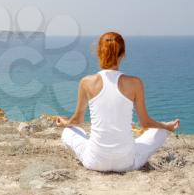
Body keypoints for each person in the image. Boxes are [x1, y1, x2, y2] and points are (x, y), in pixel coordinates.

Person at [56, 32, 180, 172]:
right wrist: (166, 126)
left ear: (98, 53)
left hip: (95, 162)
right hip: (126, 163)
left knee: (69, 131)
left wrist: (65, 123)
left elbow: (77, 121)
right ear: (123, 54)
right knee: (161, 131)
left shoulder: (86, 82)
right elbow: (145, 123)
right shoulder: (135, 83)